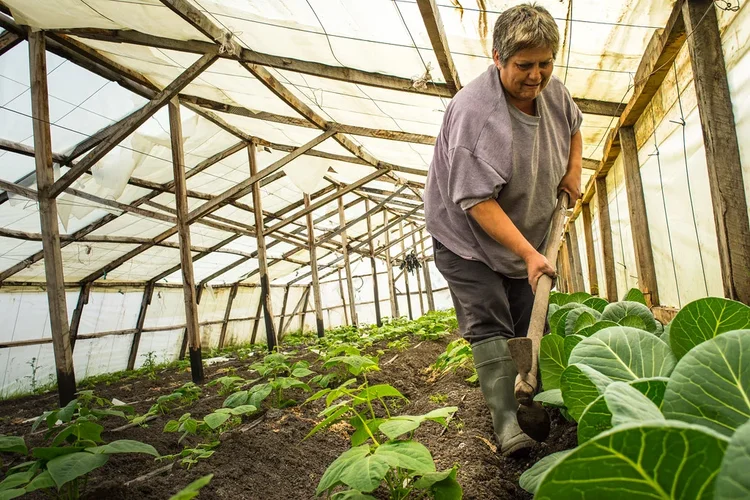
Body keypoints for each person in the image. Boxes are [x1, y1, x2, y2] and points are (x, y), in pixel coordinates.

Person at [424, 3, 582, 456]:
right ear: (498, 58)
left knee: (528, 317)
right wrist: (531, 255)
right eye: (524, 65)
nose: (536, 75)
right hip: (466, 238)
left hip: (523, 232)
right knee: (490, 319)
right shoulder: (476, 115)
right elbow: (476, 201)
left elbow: (575, 127)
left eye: (545, 63)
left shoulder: (554, 93)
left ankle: (536, 401)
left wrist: (572, 171)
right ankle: (507, 422)